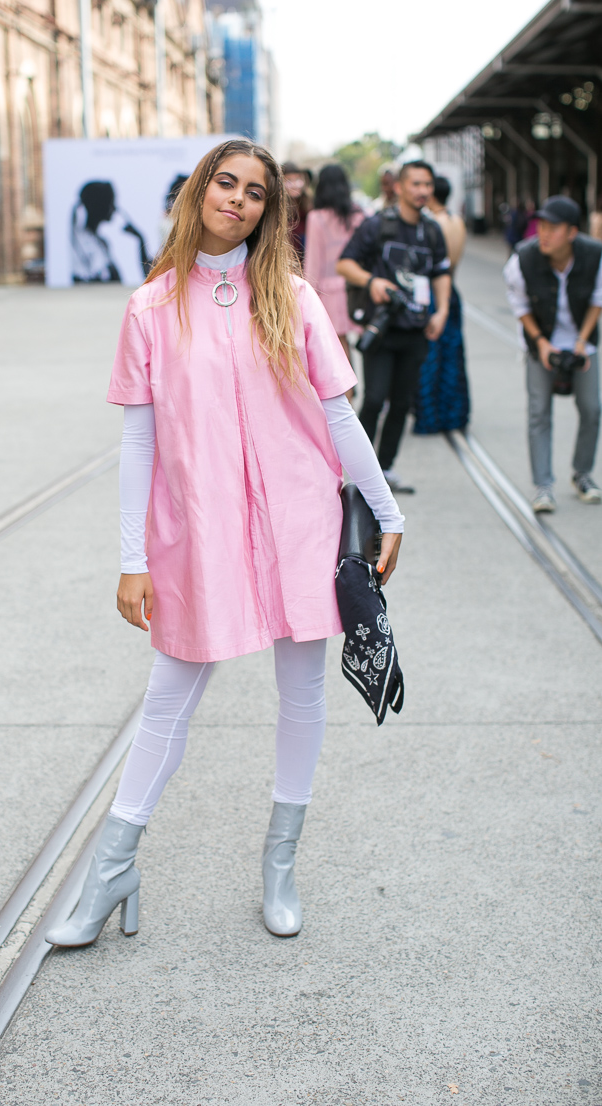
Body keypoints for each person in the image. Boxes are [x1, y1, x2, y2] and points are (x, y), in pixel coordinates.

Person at [46, 138, 404, 949]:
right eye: (225, 181)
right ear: (200, 189)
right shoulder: (151, 306)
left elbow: (339, 414)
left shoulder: (294, 297)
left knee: (301, 692)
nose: (237, 199)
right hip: (198, 529)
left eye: (254, 191)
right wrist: (132, 557)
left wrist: (389, 512)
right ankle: (111, 871)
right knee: (169, 697)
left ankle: (279, 867)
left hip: (300, 523)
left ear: (269, 208)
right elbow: (138, 443)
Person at [337, 160, 451, 491]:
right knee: (373, 399)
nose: (423, 191)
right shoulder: (377, 225)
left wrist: (441, 311)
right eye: (415, 184)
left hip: (417, 329)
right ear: (399, 187)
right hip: (383, 328)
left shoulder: (431, 230)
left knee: (402, 402)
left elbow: (441, 272)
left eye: (427, 185)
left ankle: (385, 468)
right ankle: (359, 471)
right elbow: (345, 263)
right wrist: (371, 281)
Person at [503, 194, 602, 513]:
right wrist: (542, 343)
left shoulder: (594, 255)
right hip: (539, 341)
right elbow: (520, 306)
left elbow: (597, 300)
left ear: (572, 232)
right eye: (541, 226)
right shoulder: (523, 258)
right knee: (538, 412)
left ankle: (582, 474)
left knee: (591, 408)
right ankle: (543, 485)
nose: (543, 233)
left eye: (553, 228)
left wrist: (581, 341)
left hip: (581, 341)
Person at [413, 175, 470, 434]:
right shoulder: (458, 221)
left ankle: (431, 414)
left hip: (434, 292)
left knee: (431, 357)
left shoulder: (431, 224)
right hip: (453, 292)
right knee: (453, 356)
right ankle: (454, 413)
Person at [304, 164, 366, 375]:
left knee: (339, 349)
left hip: (328, 292)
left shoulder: (317, 217)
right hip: (357, 287)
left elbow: (313, 260)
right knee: (365, 342)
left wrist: (306, 296)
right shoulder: (358, 215)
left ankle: (348, 399)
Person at [71, 180, 151, 284]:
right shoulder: (85, 244)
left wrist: (140, 239)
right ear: (100, 205)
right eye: (111, 202)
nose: (114, 208)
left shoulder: (101, 243)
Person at [282, 161, 311, 262]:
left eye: (298, 179)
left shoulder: (309, 205)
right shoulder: (277, 207)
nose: (295, 185)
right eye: (289, 180)